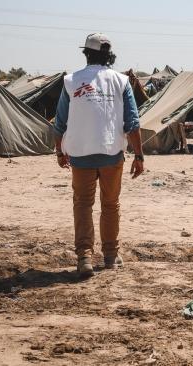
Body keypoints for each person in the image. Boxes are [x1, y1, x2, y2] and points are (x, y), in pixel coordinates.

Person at [53, 33, 145, 279]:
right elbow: (132, 124)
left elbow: (59, 123)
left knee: (83, 204)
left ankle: (84, 257)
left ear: (86, 53)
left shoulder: (71, 81)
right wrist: (139, 156)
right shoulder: (121, 81)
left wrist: (60, 151)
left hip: (80, 155)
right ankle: (111, 256)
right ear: (109, 54)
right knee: (110, 204)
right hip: (111, 154)